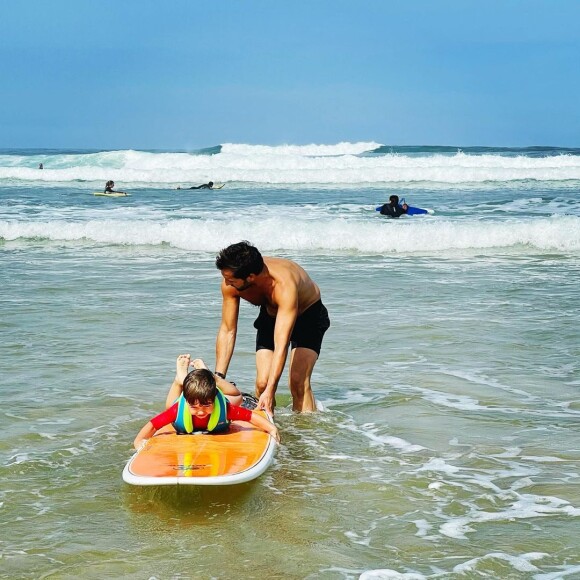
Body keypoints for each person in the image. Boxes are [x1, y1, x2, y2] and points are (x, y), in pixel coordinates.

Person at [214, 241, 330, 414]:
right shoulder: (231, 281)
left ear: (251, 277)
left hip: (308, 315)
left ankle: (305, 435)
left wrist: (272, 389)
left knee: (298, 382)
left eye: (231, 280)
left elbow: (281, 345)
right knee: (262, 383)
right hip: (271, 313)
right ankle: (271, 427)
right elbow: (228, 330)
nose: (226, 283)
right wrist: (218, 379)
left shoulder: (284, 286)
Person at [133, 354, 279, 449]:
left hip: (210, 391)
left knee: (236, 397)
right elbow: (153, 425)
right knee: (169, 406)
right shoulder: (178, 409)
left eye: (207, 405)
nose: (201, 411)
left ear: (214, 399)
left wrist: (272, 429)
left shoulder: (224, 409)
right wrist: (139, 441)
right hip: (185, 397)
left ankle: (212, 378)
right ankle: (180, 380)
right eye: (194, 407)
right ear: (187, 401)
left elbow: (250, 416)